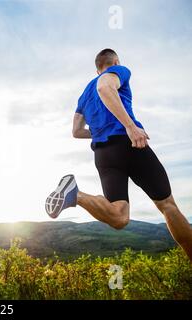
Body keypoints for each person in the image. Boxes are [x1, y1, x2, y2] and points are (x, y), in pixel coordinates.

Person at [45, 48, 192, 261]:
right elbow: (105, 87)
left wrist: (98, 131)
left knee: (119, 217)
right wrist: (131, 127)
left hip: (104, 154)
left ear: (96, 70)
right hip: (129, 144)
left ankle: (75, 195)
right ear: (115, 61)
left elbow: (76, 131)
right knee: (167, 206)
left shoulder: (84, 96)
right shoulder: (117, 72)